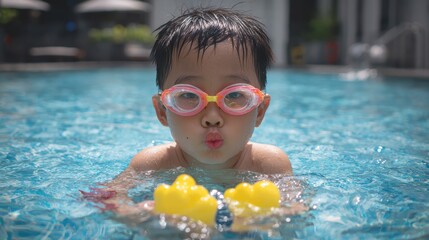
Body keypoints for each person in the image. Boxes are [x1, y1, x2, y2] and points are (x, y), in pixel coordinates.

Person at [86, 7, 293, 216]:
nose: (212, 118)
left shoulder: (269, 165)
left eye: (234, 96)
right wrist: (143, 214)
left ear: (259, 111)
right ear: (162, 111)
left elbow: (296, 208)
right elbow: (106, 197)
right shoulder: (152, 164)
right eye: (188, 96)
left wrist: (272, 216)